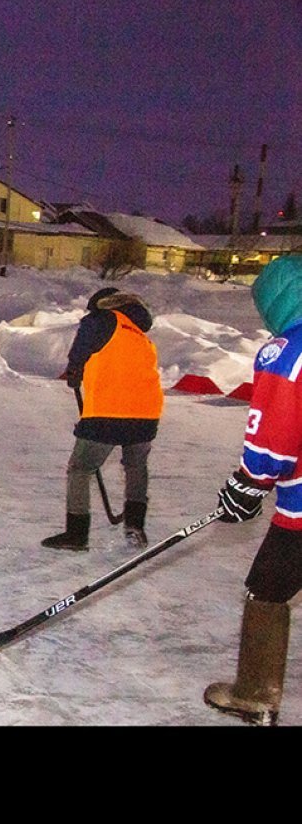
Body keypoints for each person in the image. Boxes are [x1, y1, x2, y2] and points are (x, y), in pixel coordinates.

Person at [203, 253, 302, 726]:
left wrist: (249, 482)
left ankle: (256, 694)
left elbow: (275, 434)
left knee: (267, 588)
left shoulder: (290, 349)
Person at [41, 287, 162, 551]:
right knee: (136, 467)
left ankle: (77, 534)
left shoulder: (102, 318)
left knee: (81, 469)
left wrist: (74, 370)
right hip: (146, 412)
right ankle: (135, 527)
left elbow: (81, 346)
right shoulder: (140, 333)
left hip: (109, 412)